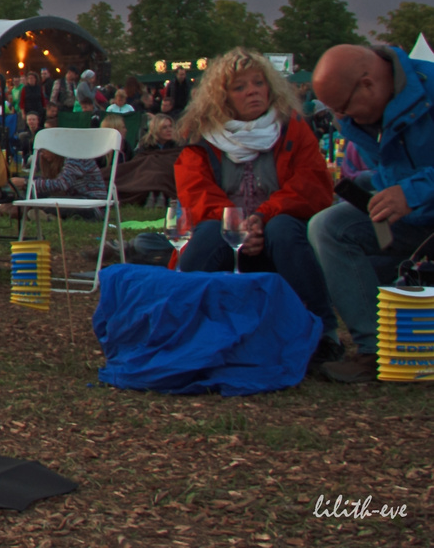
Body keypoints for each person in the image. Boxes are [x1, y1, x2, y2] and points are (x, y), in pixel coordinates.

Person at [173, 47, 339, 363]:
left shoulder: (293, 128)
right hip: (226, 234)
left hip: (277, 236)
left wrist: (262, 217)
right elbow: (196, 194)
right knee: (208, 233)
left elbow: (313, 185)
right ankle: (180, 330)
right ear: (223, 97)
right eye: (240, 87)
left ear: (270, 87)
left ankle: (324, 334)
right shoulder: (200, 138)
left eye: (258, 83)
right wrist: (238, 225)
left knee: (284, 227)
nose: (252, 91)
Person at [308, 44, 434, 383]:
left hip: (422, 210)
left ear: (367, 84)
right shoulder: (360, 117)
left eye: (344, 108)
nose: (343, 118)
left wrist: (411, 192)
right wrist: (380, 193)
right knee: (329, 226)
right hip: (412, 224)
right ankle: (374, 352)